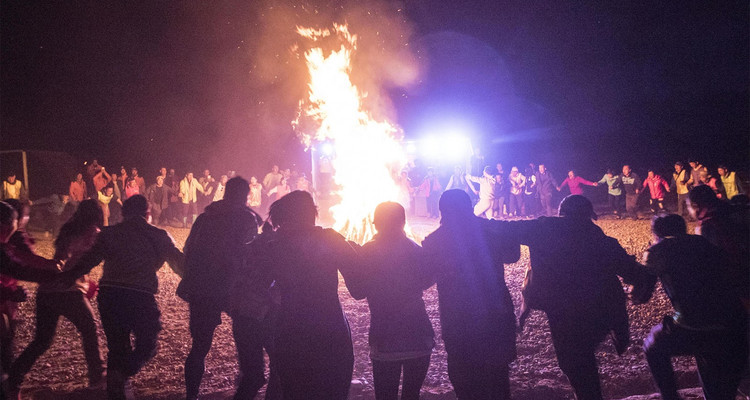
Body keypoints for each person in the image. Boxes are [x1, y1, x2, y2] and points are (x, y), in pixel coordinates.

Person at [508, 195, 647, 400]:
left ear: (561, 213)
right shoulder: (601, 241)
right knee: (580, 360)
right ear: (587, 216)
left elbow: (505, 230)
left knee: (575, 363)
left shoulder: (542, 230)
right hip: (597, 309)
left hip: (562, 312)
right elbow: (633, 272)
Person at [61, 195, 184, 400]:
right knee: (148, 343)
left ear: (123, 214)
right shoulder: (160, 235)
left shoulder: (108, 234)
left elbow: (88, 260)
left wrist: (68, 277)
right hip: (140, 296)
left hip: (110, 295)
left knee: (117, 347)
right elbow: (181, 265)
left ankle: (117, 391)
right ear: (147, 213)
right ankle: (121, 377)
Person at [243, 191, 357, 399]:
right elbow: (359, 290)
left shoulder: (276, 246)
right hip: (331, 333)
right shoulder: (331, 239)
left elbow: (255, 288)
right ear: (311, 214)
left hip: (291, 334)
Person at [635, 214, 748, 400]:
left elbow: (643, 294)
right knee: (717, 383)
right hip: (733, 324)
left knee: (653, 345)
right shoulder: (706, 244)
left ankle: (670, 397)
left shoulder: (659, 250)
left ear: (657, 233)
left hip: (694, 325)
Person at [420, 189, 520, 399]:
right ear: (469, 206)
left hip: (458, 319)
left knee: (464, 377)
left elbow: (424, 280)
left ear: (442, 211)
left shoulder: (435, 241)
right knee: (497, 377)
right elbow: (513, 255)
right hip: (496, 313)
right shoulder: (491, 231)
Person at [177, 177, 268, 400]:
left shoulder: (205, 218)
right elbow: (250, 256)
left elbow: (188, 251)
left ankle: (191, 396)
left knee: (199, 347)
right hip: (234, 288)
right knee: (250, 339)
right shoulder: (246, 219)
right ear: (245, 195)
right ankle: (247, 382)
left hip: (203, 288)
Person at [7, 200, 106, 393]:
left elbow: (65, 257)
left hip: (47, 290)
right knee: (89, 328)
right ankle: (97, 377)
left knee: (42, 340)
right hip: (67, 289)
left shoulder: (68, 228)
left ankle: (13, 378)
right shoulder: (93, 232)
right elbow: (84, 260)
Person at [350, 202, 434, 400]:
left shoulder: (367, 252)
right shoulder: (415, 249)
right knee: (411, 395)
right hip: (418, 333)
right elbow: (427, 280)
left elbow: (357, 292)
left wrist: (349, 262)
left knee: (385, 395)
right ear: (403, 222)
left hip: (385, 335)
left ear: (375, 224)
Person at [688, 185, 749, 308]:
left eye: (688, 206)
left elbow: (713, 260)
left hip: (739, 276)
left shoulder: (709, 225)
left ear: (695, 206)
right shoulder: (733, 210)